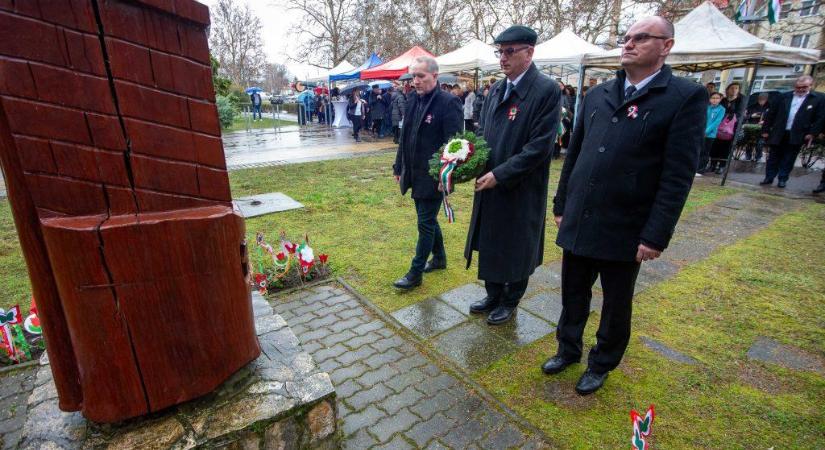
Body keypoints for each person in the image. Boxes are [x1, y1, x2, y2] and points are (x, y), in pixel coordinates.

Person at [547, 16, 705, 395]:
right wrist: (562, 200)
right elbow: (576, 153)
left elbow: (677, 175)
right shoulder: (599, 93)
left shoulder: (683, 97)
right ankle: (568, 348)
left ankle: (602, 362)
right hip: (581, 215)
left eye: (641, 38)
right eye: (626, 38)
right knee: (572, 293)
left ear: (666, 46)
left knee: (616, 302)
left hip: (626, 223)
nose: (628, 44)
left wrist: (656, 234)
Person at [464, 25, 560, 325]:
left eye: (510, 51)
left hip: (520, 185)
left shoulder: (546, 89)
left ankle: (510, 298)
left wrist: (502, 174)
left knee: (517, 244)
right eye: (500, 52)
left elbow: (540, 147)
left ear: (529, 53)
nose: (502, 58)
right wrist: (468, 158)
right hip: (489, 179)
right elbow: (483, 132)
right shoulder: (496, 88)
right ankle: (493, 293)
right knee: (490, 239)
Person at [392, 56, 463, 289]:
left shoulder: (448, 103)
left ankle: (415, 273)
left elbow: (454, 144)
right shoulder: (412, 99)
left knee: (424, 223)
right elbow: (405, 137)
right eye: (413, 76)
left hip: (434, 176)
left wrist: (447, 175)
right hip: (414, 171)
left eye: (420, 76)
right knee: (428, 220)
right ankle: (440, 258)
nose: (416, 81)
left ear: (435, 75)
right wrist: (398, 166)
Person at [760, 75, 825, 188]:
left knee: (789, 158)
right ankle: (769, 177)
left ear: (810, 86)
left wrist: (812, 133)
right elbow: (771, 114)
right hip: (779, 131)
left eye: (803, 87)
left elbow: (820, 118)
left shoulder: (818, 99)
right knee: (773, 156)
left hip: (798, 133)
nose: (800, 89)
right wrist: (765, 130)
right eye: (798, 87)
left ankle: (782, 179)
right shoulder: (784, 96)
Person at [699, 92, 725, 174]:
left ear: (720, 99)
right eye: (713, 98)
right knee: (699, 151)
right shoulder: (707, 107)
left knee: (705, 152)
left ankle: (701, 169)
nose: (715, 100)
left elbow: (716, 122)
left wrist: (706, 131)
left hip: (710, 135)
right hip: (701, 132)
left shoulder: (721, 109)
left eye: (717, 98)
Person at [744, 93, 770, 161]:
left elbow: (773, 118)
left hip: (763, 128)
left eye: (763, 99)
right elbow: (744, 117)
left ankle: (758, 156)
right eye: (760, 99)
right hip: (751, 127)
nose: (761, 101)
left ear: (766, 100)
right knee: (748, 141)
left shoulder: (770, 107)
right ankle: (748, 155)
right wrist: (751, 116)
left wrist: (764, 122)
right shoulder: (752, 107)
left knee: (760, 142)